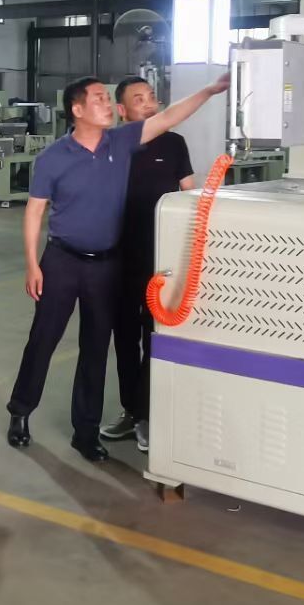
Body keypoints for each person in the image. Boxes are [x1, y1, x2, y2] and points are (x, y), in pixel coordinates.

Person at [6, 72, 228, 462]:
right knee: (43, 339)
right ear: (77, 110)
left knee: (95, 348)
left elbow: (169, 117)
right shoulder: (52, 158)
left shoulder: (121, 142)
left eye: (108, 99)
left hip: (105, 265)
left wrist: (210, 90)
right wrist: (31, 264)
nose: (107, 104)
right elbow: (35, 211)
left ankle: (85, 432)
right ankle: (20, 411)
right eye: (98, 99)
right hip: (61, 261)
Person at [100, 76, 195, 453]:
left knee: (154, 334)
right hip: (120, 256)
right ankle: (130, 410)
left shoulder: (174, 144)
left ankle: (146, 413)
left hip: (162, 258)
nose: (149, 103)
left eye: (151, 96)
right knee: (124, 336)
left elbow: (189, 191)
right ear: (122, 110)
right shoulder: (113, 145)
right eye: (138, 99)